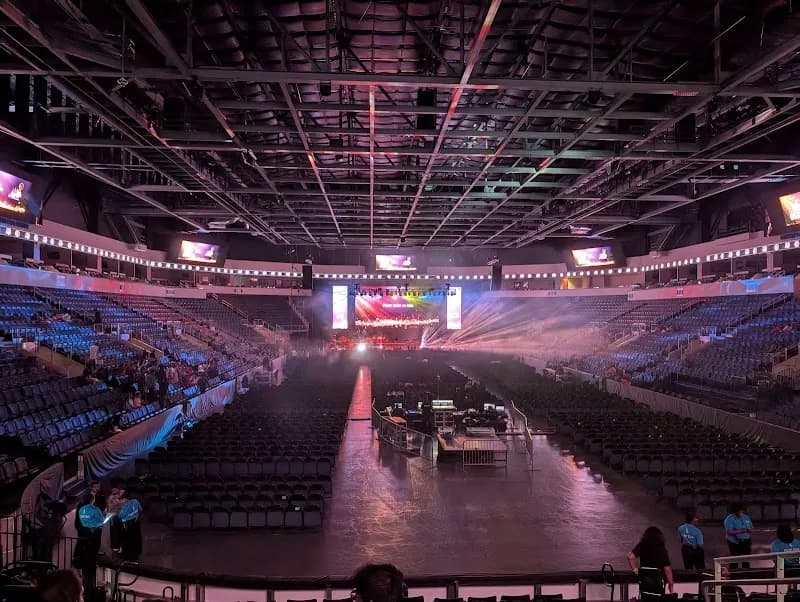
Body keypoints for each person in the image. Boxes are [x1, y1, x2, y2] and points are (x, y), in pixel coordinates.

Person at [627, 526, 674, 594]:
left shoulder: (642, 545)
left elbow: (630, 557)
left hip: (645, 580)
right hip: (659, 581)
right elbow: (667, 569)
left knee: (645, 597)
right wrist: (671, 584)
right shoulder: (662, 549)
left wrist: (635, 570)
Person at [724, 504, 754, 568]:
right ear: (735, 512)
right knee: (734, 559)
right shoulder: (729, 519)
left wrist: (750, 530)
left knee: (746, 559)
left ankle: (745, 574)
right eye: (739, 512)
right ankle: (734, 574)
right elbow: (729, 532)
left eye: (742, 511)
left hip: (746, 541)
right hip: (734, 542)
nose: (741, 513)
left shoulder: (746, 517)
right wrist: (741, 531)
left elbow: (751, 527)